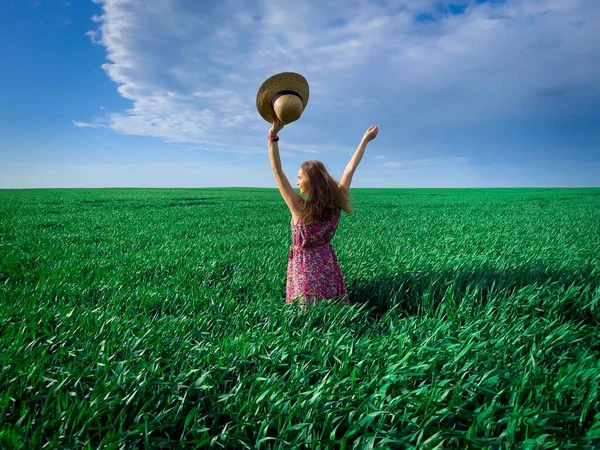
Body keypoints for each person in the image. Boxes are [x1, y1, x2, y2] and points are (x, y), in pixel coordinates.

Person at [267, 120, 379, 310]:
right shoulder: (336, 201)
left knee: (306, 312)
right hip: (326, 263)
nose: (296, 182)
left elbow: (277, 171)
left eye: (299, 177)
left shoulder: (299, 207)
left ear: (310, 179)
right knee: (331, 309)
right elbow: (350, 168)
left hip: (304, 268)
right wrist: (365, 140)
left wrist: (273, 137)